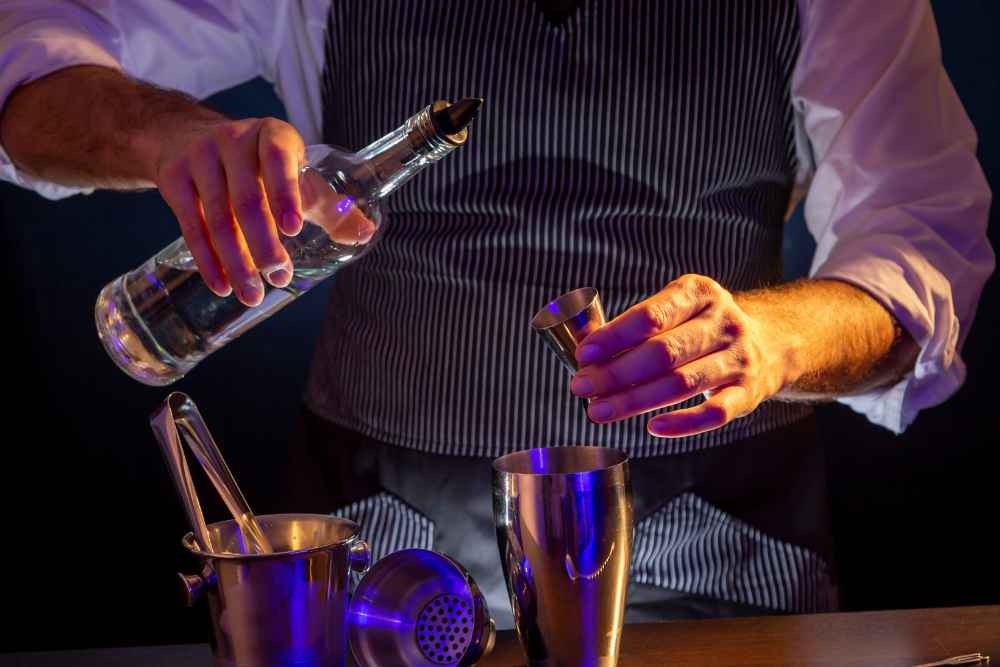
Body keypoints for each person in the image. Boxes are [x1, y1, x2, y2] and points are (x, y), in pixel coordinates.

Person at [0, 1, 992, 628]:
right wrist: (166, 132)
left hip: (723, 564)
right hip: (376, 574)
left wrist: (774, 341)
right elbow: (22, 49)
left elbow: (921, 244)